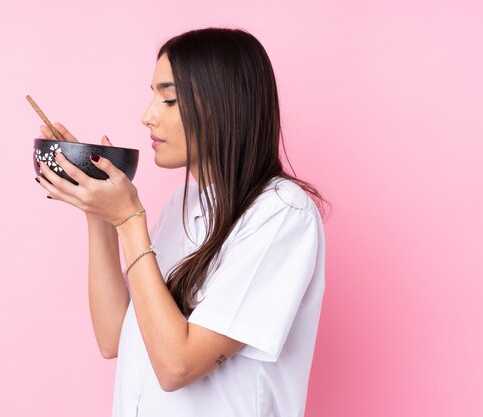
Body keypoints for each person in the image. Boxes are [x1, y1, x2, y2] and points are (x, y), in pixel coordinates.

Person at [35, 27, 329, 417]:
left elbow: (177, 366)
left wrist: (128, 218)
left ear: (223, 105)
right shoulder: (182, 205)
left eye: (169, 99)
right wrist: (98, 211)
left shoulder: (280, 214)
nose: (147, 116)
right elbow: (114, 338)